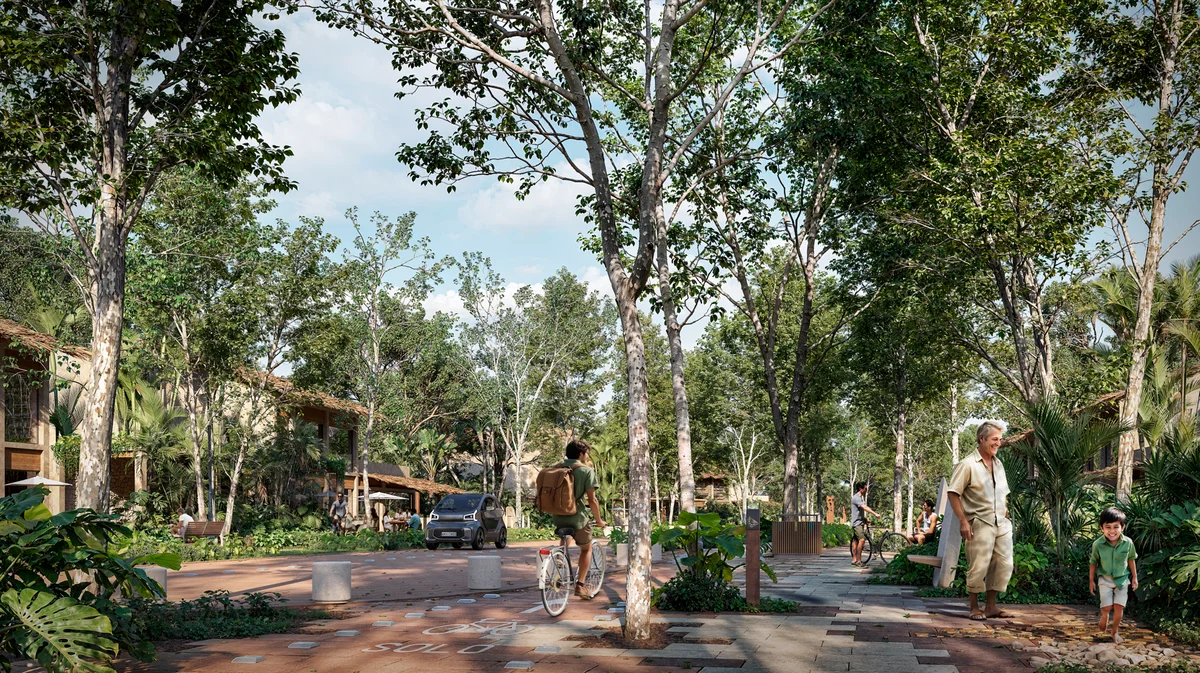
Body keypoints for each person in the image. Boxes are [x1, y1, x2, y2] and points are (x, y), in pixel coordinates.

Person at [947, 421, 1013, 621]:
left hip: (1001, 522)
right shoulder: (967, 464)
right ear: (981, 438)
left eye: (1000, 440)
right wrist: (963, 521)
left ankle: (991, 607)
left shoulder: (998, 464)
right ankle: (974, 607)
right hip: (979, 522)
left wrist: (1005, 509)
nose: (998, 443)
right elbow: (953, 493)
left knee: (1003, 564)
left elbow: (1002, 492)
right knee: (979, 565)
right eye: (994, 439)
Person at [547, 439, 607, 599]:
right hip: (577, 517)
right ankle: (580, 585)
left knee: (565, 537)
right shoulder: (586, 471)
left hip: (558, 516)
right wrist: (600, 520)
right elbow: (592, 500)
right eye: (586, 453)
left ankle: (560, 560)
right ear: (581, 454)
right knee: (586, 548)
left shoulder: (556, 468)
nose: (587, 456)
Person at [1090, 507, 1138, 643]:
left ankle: (1114, 632)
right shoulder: (1098, 544)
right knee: (1106, 607)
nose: (1112, 531)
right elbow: (1093, 562)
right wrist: (1091, 581)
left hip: (1122, 580)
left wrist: (1135, 577)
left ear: (1122, 527)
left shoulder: (1128, 543)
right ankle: (1104, 616)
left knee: (1119, 607)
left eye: (1116, 527)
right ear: (1101, 528)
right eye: (1108, 527)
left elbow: (1131, 559)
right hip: (1104, 579)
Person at [850, 482, 880, 567]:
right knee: (862, 540)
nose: (866, 490)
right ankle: (859, 561)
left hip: (860, 522)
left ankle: (854, 559)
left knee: (856, 540)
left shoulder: (860, 497)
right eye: (865, 488)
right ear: (861, 488)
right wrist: (875, 514)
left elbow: (859, 511)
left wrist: (865, 519)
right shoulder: (856, 498)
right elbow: (865, 507)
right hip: (857, 523)